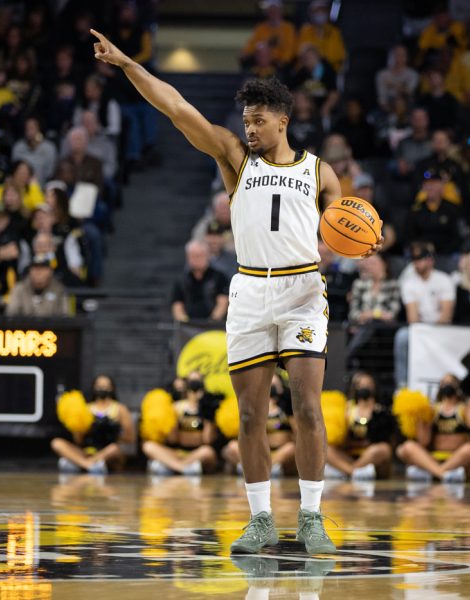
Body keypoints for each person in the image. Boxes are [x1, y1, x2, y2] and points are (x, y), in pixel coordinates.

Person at [91, 29, 382, 554]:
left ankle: (313, 517)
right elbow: (178, 108)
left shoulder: (320, 172)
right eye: (245, 120)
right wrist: (127, 64)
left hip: (301, 291)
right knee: (250, 413)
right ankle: (261, 519)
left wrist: (361, 242)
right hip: (249, 289)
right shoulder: (234, 158)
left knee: (307, 406)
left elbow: (348, 226)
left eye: (258, 120)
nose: (249, 129)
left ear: (283, 120)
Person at [397, 373, 470, 483]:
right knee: (407, 447)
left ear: (458, 386)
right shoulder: (433, 409)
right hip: (434, 457)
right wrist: (421, 418)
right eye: (444, 383)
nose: (447, 385)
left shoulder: (463, 408)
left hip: (457, 459)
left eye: (451, 383)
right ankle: (443, 474)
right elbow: (424, 441)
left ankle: (432, 473)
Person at [394, 242, 455, 388]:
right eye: (414, 260)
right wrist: (424, 333)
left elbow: (446, 315)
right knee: (402, 336)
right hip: (419, 330)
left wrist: (432, 332)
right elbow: (412, 318)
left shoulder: (444, 280)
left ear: (430, 260)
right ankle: (402, 384)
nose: (416, 263)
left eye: (420, 259)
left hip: (443, 328)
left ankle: (449, 384)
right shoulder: (409, 283)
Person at [51, 375, 135, 474]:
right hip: (88, 451)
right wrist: (84, 429)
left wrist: (113, 431)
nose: (102, 388)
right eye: (99, 385)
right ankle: (88, 465)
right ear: (94, 387)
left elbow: (130, 438)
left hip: (109, 452)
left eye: (106, 386)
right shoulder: (86, 409)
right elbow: (78, 440)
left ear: (112, 388)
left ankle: (78, 464)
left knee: (114, 448)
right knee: (57, 443)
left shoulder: (120, 409)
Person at [143, 371, 219, 476]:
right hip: (178, 452)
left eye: (198, 382)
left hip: (197, 453)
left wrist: (208, 418)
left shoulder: (207, 407)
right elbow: (172, 439)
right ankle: (182, 468)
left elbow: (207, 440)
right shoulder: (177, 407)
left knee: (207, 452)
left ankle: (170, 466)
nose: (194, 386)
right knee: (148, 446)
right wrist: (174, 419)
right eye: (191, 382)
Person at [222, 373, 296, 478]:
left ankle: (264, 467)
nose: (271, 389)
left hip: (280, 452)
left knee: (291, 448)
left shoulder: (288, 407)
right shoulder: (254, 406)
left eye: (275, 386)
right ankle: (257, 467)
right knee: (232, 447)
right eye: (269, 385)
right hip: (258, 452)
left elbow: (296, 433)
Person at [324, 371, 395, 480]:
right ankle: (352, 472)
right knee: (324, 448)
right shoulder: (346, 408)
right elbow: (340, 439)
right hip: (350, 454)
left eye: (368, 384)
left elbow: (386, 439)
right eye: (361, 384)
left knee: (383, 449)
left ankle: (346, 471)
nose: (365, 388)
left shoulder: (381, 410)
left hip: (371, 456)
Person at [170, 240, 229, 323]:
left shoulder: (219, 277)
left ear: (208, 255)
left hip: (214, 325)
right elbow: (177, 304)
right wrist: (185, 321)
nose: (196, 259)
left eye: (199, 255)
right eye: (193, 256)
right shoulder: (182, 279)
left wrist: (212, 320)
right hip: (188, 327)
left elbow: (223, 302)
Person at [6, 252, 70, 317]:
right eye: (35, 268)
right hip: (25, 326)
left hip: (51, 326)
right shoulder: (19, 289)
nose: (38, 272)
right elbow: (11, 316)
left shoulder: (58, 289)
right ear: (30, 271)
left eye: (42, 268)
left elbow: (64, 317)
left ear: (50, 271)